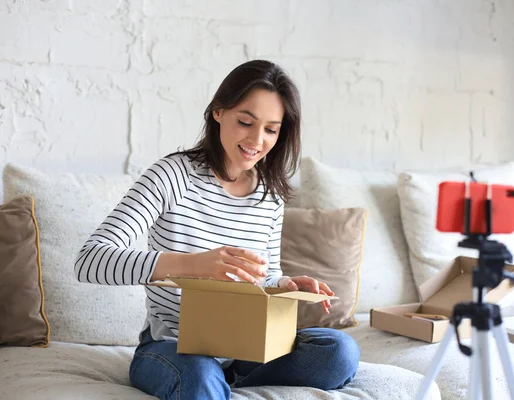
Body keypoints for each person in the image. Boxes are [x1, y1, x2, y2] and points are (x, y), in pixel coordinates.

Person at [74, 59, 360, 399]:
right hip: (175, 349)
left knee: (339, 351)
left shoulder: (270, 196)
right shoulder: (172, 176)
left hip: (245, 351)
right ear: (218, 112)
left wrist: (283, 284)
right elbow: (90, 261)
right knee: (199, 372)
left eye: (271, 129)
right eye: (245, 122)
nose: (257, 139)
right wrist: (194, 265)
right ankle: (211, 385)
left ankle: (226, 383)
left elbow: (259, 279)